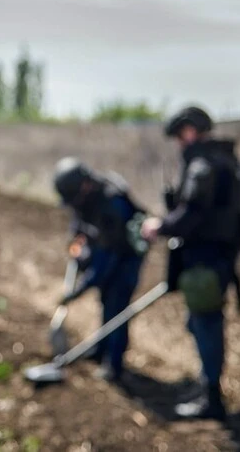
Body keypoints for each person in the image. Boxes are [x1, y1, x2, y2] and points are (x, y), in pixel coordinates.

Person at [141, 105, 240, 421]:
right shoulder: (224, 160)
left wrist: (159, 226)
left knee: (205, 325)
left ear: (190, 130)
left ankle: (212, 401)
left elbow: (192, 213)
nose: (180, 143)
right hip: (219, 256)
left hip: (207, 260)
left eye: (180, 135)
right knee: (199, 323)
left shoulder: (203, 165)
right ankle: (207, 387)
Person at [53, 157, 149, 383]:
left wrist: (80, 288)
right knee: (105, 300)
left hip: (125, 257)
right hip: (106, 249)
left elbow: (106, 261)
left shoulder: (112, 202)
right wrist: (76, 245)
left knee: (117, 308)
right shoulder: (84, 198)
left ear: (85, 186)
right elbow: (79, 226)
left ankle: (114, 365)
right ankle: (101, 349)